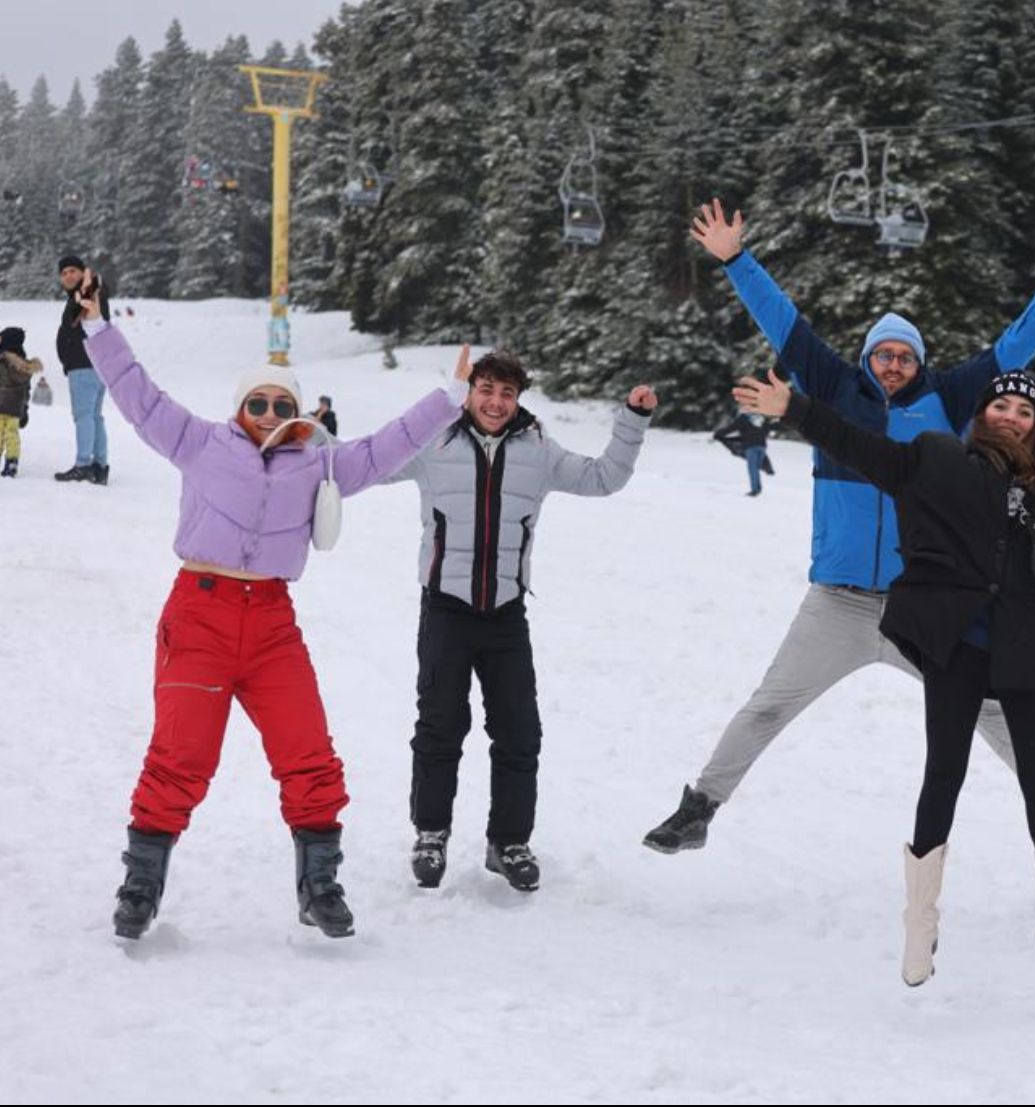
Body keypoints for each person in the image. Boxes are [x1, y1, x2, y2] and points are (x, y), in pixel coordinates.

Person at [644, 199, 1035, 855]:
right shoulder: (833, 385)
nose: (893, 363)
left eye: (905, 355)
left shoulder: (950, 399)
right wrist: (734, 258)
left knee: (991, 702)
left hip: (921, 598)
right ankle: (698, 807)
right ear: (867, 357)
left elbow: (1011, 349)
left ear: (918, 362)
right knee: (768, 705)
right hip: (837, 601)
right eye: (884, 353)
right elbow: (781, 320)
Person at [733, 365, 1035, 992]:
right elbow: (860, 446)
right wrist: (796, 408)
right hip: (956, 643)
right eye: (1003, 408)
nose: (1013, 418)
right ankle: (920, 924)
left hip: (1030, 651)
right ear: (982, 415)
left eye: (1025, 413)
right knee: (944, 775)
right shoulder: (936, 459)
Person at [73, 275, 469, 941]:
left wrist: (449, 399)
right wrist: (97, 328)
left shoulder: (318, 463)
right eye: (256, 400)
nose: (266, 408)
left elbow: (384, 446)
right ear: (239, 407)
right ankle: (141, 882)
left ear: (297, 410)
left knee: (308, 750)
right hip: (199, 614)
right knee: (181, 754)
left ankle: (319, 883)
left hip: (271, 625)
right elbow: (137, 396)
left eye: (279, 401)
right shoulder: (198, 442)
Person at [387, 351, 657, 892]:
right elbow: (364, 464)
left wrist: (633, 420)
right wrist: (309, 435)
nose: (495, 402)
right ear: (468, 391)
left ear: (518, 400)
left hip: (506, 614)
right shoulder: (433, 441)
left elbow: (604, 478)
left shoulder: (539, 450)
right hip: (446, 608)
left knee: (519, 732)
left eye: (506, 393)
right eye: (485, 389)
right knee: (440, 726)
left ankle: (508, 841)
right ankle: (431, 834)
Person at [55, 256, 112, 484]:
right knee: (94, 416)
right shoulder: (88, 292)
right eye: (64, 273)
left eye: (72, 271)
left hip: (84, 364)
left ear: (82, 273)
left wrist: (89, 285)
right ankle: (100, 466)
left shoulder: (87, 291)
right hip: (96, 365)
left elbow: (85, 308)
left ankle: (83, 465)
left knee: (84, 416)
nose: (68, 276)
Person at [0, 327, 43, 477]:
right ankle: (12, 461)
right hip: (14, 409)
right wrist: (24, 409)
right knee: (12, 435)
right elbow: (26, 391)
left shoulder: (2, 362)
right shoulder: (25, 369)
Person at [714, 409, 772, 496]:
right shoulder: (761, 418)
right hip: (761, 446)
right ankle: (758, 487)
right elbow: (767, 429)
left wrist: (719, 434)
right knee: (757, 467)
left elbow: (731, 428)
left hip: (751, 446)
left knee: (752, 468)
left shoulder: (743, 418)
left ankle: (755, 490)